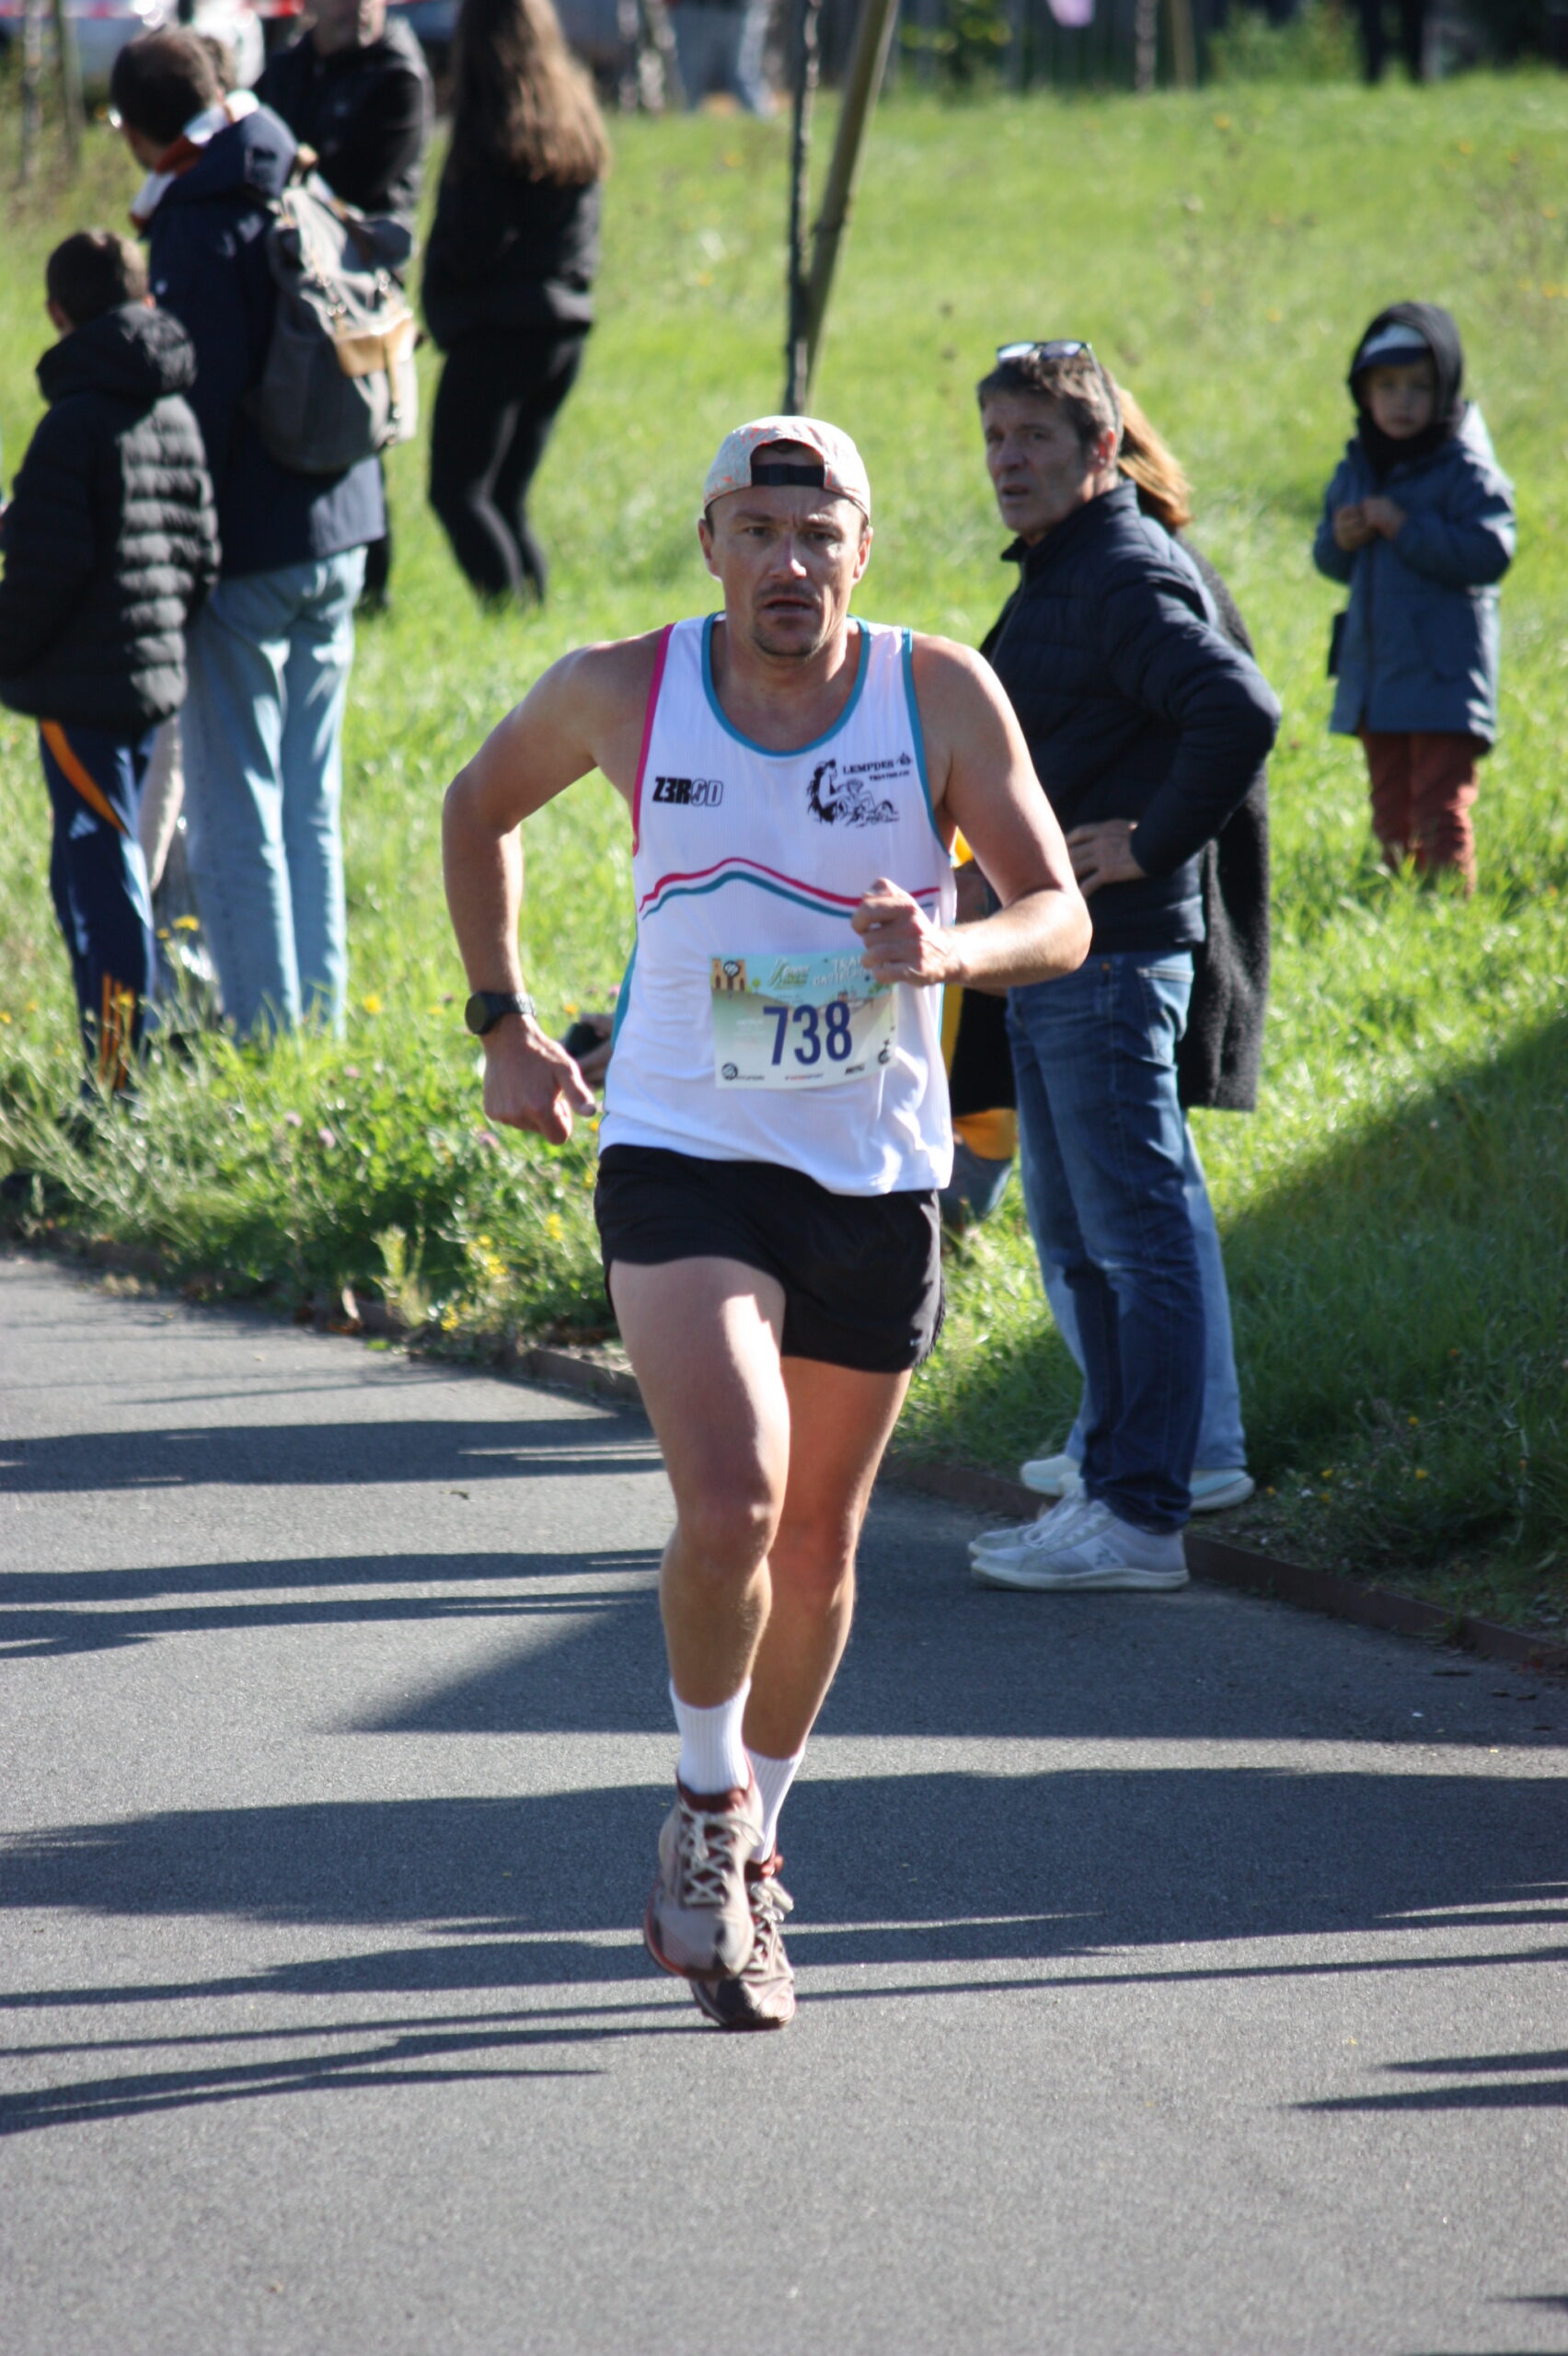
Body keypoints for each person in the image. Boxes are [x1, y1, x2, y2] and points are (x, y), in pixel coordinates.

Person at [442, 415, 1090, 2029]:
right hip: (684, 1152)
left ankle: (752, 1852)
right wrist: (503, 1025)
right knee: (732, 1502)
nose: (788, 563)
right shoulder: (623, 688)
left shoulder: (937, 692)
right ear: (711, 546)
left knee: (816, 1552)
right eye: (757, 531)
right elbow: (475, 808)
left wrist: (949, 951)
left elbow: (1060, 912)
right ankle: (704, 1802)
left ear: (862, 549)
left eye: (818, 535)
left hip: (873, 1171)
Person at [964, 341, 1278, 1597]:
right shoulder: (1065, 567)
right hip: (1059, 959)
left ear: (1103, 450)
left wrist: (1148, 844)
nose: (1008, 461)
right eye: (996, 438)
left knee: (1134, 1238)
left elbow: (1239, 709)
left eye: (1035, 438)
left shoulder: (1121, 569)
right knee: (1085, 1240)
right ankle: (1108, 1487)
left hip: (1114, 961)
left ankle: (1145, 1515)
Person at [110, 30, 386, 1039]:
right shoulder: (292, 163)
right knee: (310, 798)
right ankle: (320, 1024)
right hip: (344, 526)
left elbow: (199, 408)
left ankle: (268, 1037)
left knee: (237, 807)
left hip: (254, 550)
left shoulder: (197, 216)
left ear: (134, 130)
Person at [0, 230, 217, 1091]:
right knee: (111, 871)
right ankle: (125, 1064)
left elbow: (43, 577)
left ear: (58, 314)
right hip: (154, 683)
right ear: (143, 297)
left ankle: (117, 1087)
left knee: (102, 885)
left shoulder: (71, 425)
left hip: (83, 700)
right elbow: (200, 557)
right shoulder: (176, 411)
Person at [1313, 304, 1514, 895]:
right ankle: (1397, 893)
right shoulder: (1360, 464)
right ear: (1364, 392)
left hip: (1443, 673)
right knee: (1390, 800)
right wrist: (1341, 539)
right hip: (1378, 674)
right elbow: (1329, 560)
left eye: (1419, 387)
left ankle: (1448, 902)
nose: (1402, 401)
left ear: (1445, 388)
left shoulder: (1464, 467)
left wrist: (1406, 527)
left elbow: (1490, 551)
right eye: (1388, 386)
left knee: (1439, 803)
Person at [422, 0, 606, 606]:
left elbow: (474, 241)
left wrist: (440, 284)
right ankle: (534, 619)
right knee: (504, 497)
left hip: (497, 330)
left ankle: (507, 614)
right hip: (563, 328)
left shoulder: (495, 120)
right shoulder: (572, 106)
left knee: (457, 494)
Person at [258, 0, 432, 613]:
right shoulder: (285, 70)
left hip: (359, 287)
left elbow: (358, 187)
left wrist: (294, 180)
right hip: (291, 276)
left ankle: (368, 585)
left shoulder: (397, 76)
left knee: (356, 423)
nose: (357, 9)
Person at [667, 0, 774, 114]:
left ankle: (761, 116)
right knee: (689, 79)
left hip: (740, 8)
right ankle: (685, 117)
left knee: (743, 75)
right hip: (695, 7)